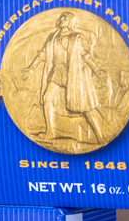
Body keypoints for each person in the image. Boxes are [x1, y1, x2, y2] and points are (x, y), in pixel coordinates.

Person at [24, 11, 107, 145]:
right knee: (47, 98)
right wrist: (31, 69)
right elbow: (42, 55)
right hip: (57, 72)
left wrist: (97, 69)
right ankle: (50, 132)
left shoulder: (75, 38)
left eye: (65, 18)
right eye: (61, 17)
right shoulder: (52, 37)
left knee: (85, 106)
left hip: (72, 74)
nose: (61, 19)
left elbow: (85, 55)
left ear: (70, 22)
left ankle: (100, 137)